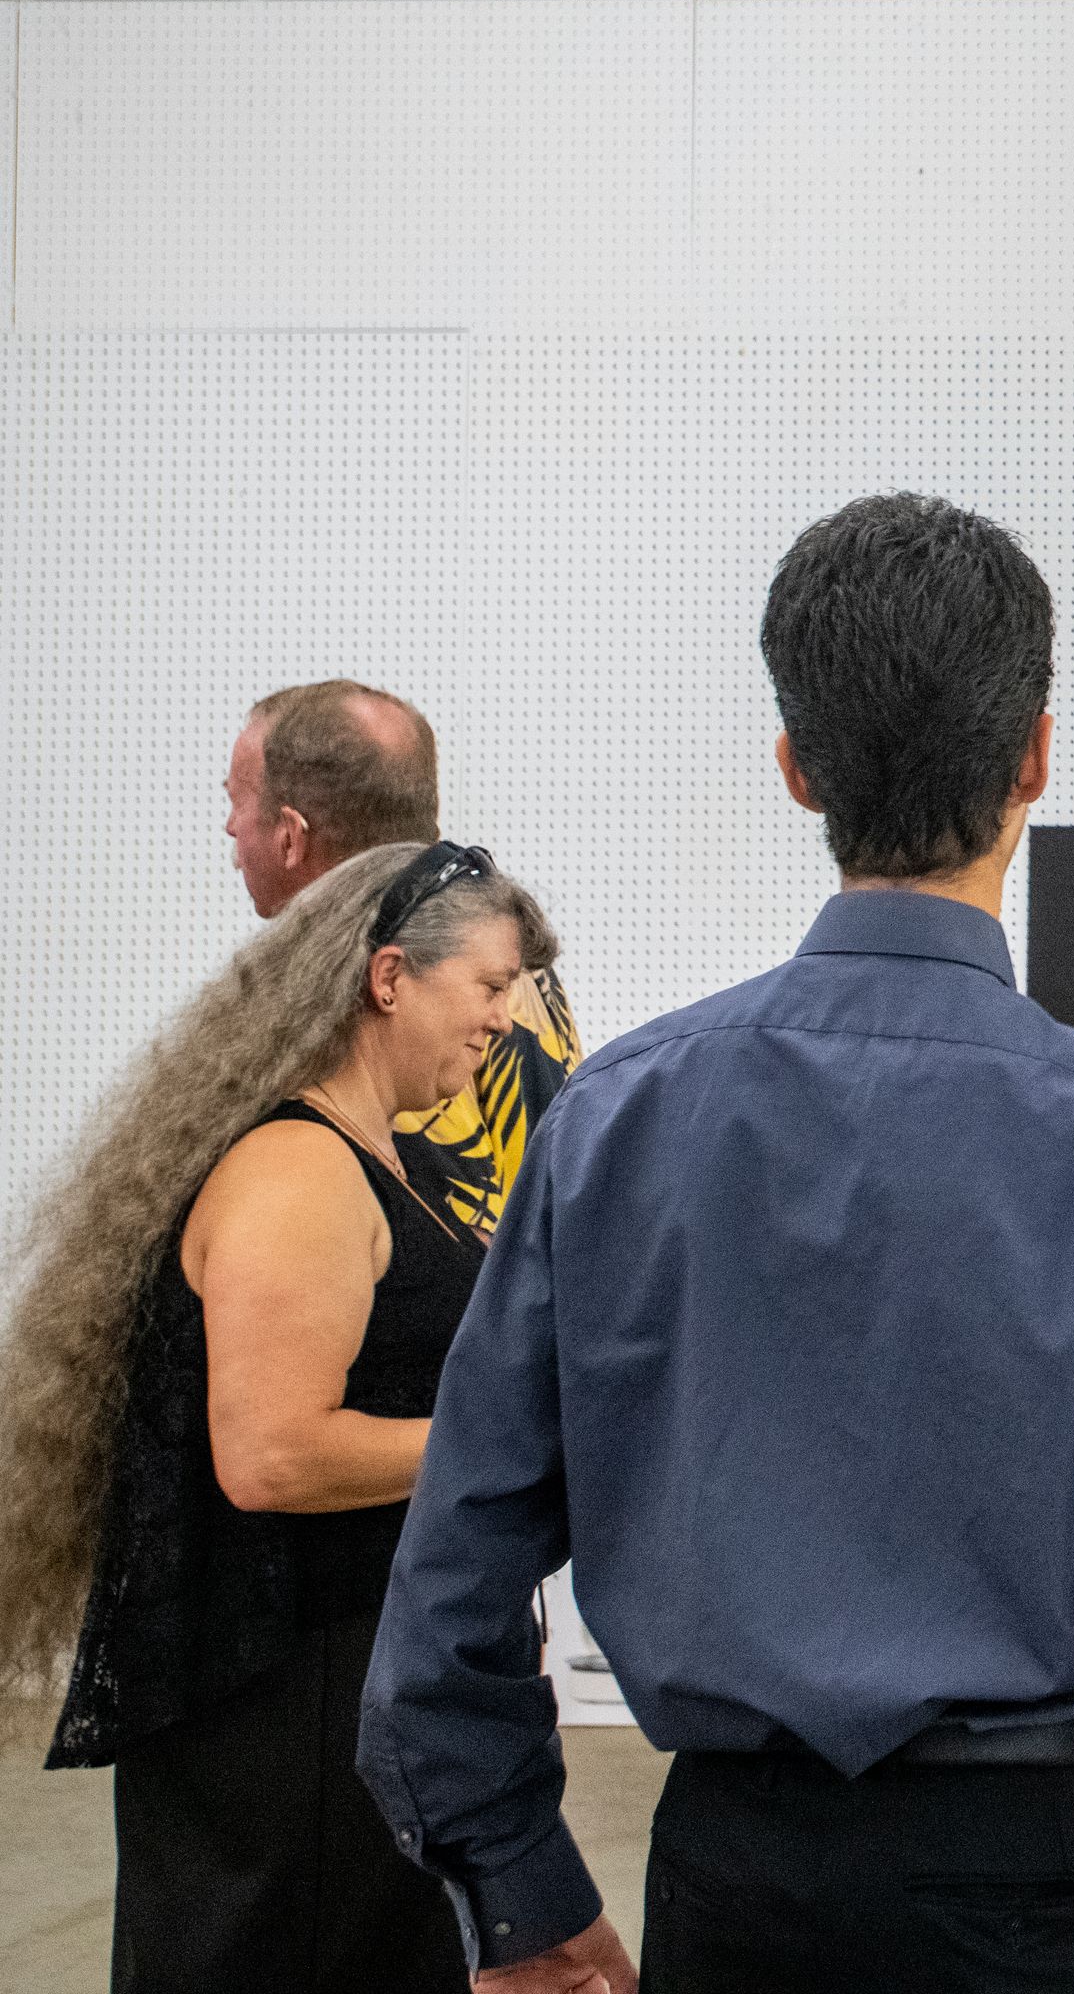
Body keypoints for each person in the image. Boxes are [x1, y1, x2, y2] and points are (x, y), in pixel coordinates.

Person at [356, 496, 1074, 1994]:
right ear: (1036, 755)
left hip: (732, 1872)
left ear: (795, 770)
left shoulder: (613, 1123)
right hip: (1039, 1878)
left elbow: (456, 1559)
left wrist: (511, 1886)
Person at [0, 838, 554, 1991]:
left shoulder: (377, 1160)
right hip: (289, 1716)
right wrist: (518, 1442)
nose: (507, 1020)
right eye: (493, 986)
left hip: (342, 1694)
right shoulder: (298, 1173)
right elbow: (272, 1455)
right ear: (390, 977)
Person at [223, 678, 582, 1236]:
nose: (230, 827)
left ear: (291, 835)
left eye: (237, 800)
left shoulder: (363, 999)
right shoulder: (507, 963)